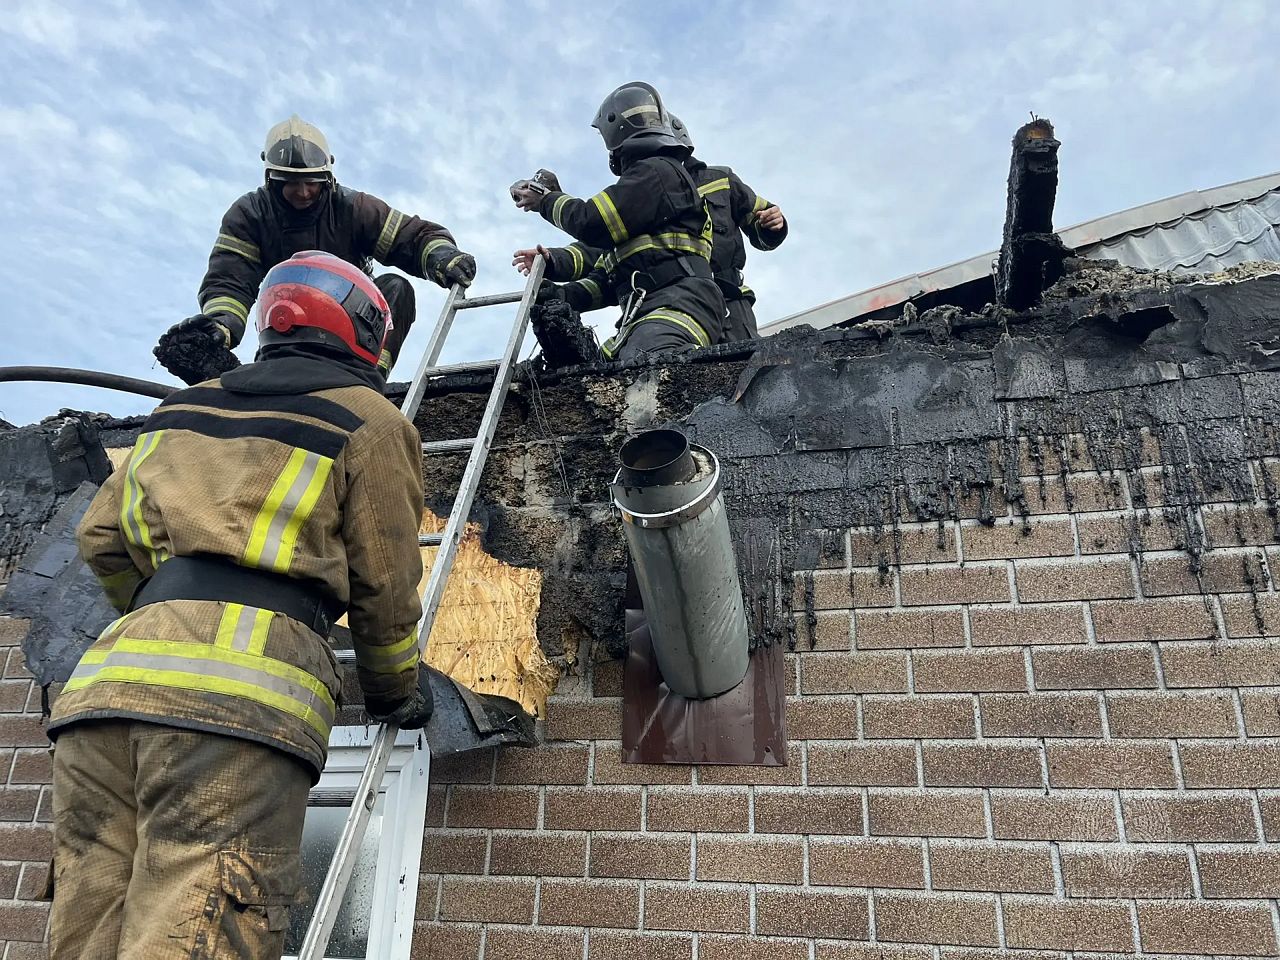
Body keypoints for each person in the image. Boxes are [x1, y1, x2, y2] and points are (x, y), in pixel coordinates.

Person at [48, 251, 433, 959]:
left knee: (85, 930)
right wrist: (394, 693)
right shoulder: (368, 420)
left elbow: (100, 537)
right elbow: (385, 579)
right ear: (364, 331)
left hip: (102, 699)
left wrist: (168, 610)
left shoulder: (180, 410)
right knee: (200, 923)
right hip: (236, 705)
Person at [156, 115, 476, 383]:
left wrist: (440, 256)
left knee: (396, 289)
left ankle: (368, 381)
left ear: (328, 175)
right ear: (271, 178)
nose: (304, 192)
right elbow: (230, 280)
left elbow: (410, 236)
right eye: (291, 182)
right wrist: (221, 325)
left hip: (351, 336)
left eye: (312, 181)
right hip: (286, 337)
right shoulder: (250, 215)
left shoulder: (353, 208)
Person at [512, 114, 786, 343]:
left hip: (729, 302)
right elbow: (602, 248)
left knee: (739, 376)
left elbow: (760, 218)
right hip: (667, 298)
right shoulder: (642, 190)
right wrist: (554, 260)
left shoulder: (717, 178)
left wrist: (773, 225)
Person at [510, 82, 726, 361]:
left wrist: (547, 199)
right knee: (606, 378)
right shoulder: (641, 208)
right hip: (649, 310)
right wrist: (561, 295)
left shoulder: (658, 171)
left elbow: (591, 222)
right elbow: (607, 283)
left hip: (680, 305)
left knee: (646, 369)